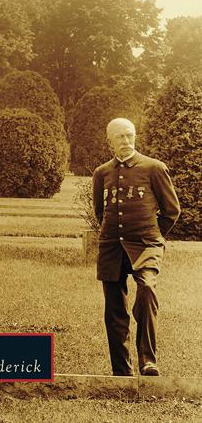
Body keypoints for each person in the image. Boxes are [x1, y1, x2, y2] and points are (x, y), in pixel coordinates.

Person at [92, 117, 180, 377]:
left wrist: (152, 234)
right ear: (109, 142)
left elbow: (172, 210)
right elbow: (100, 211)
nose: (126, 141)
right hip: (111, 247)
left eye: (130, 135)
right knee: (114, 310)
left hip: (146, 244)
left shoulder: (154, 168)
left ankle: (148, 360)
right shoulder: (102, 173)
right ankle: (122, 373)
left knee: (147, 290)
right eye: (120, 137)